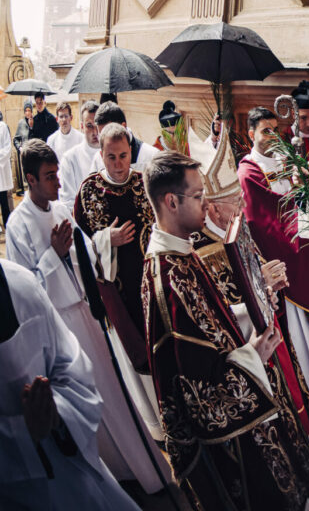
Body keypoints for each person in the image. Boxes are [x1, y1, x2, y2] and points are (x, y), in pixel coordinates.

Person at [143, 152, 309, 510]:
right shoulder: (166, 279)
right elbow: (198, 389)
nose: (206, 203)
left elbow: (213, 321)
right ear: (171, 202)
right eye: (198, 195)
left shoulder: (180, 253)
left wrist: (256, 300)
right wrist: (253, 356)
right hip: (232, 440)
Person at [5, 141, 169, 494]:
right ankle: (111, 475)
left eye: (57, 174)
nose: (58, 182)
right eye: (50, 177)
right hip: (59, 324)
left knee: (113, 394)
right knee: (88, 402)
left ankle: (142, 469)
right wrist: (54, 255)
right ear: (30, 180)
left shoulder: (61, 210)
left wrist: (97, 243)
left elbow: (90, 253)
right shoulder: (17, 225)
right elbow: (25, 292)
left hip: (86, 313)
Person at [190, 189, 309, 448]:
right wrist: (261, 285)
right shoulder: (198, 249)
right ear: (214, 208)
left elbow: (256, 268)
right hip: (247, 344)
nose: (243, 204)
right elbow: (216, 306)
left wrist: (272, 286)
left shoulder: (234, 225)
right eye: (236, 200)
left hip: (269, 328)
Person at [0, 258, 140, 510]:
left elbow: (71, 365)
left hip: (71, 465)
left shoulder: (19, 283)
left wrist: (57, 410)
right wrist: (22, 433)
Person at [238, 106, 309, 404]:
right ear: (251, 134)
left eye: (275, 130)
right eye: (265, 132)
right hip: (287, 259)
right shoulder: (248, 170)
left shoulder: (287, 160)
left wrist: (305, 189)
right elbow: (265, 219)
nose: (272, 137)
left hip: (306, 246)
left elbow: (306, 196)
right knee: (301, 331)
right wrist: (305, 223)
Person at [71, 122, 164, 442]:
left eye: (124, 156)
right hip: (119, 294)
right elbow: (80, 251)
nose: (119, 164)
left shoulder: (143, 183)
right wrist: (104, 240)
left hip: (152, 285)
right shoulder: (88, 193)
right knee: (136, 358)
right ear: (101, 154)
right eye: (111, 157)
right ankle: (155, 426)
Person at [88, 102, 160, 174]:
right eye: (101, 134)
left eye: (109, 132)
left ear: (123, 126)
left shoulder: (152, 156)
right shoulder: (98, 159)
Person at [57, 101, 102, 209]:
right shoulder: (69, 159)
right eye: (89, 126)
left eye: (98, 125)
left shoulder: (113, 155)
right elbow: (67, 203)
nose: (95, 132)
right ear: (82, 126)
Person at [0, 106, 12, 229]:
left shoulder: (3, 127)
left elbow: (7, 148)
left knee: (4, 202)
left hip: (1, 172)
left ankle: (8, 227)